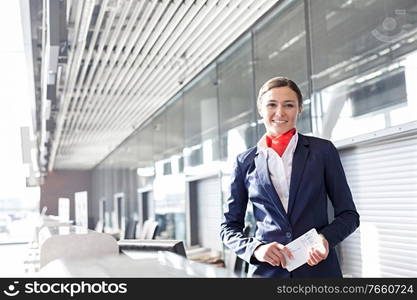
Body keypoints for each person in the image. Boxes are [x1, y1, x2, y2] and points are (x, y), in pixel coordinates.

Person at [220, 76, 360, 278]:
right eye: (271, 105)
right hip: (267, 272)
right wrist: (256, 249)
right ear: (261, 109)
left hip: (318, 271)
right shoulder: (244, 162)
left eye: (288, 105)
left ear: (299, 109)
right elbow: (228, 227)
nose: (280, 112)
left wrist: (325, 238)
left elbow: (349, 215)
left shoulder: (323, 151)